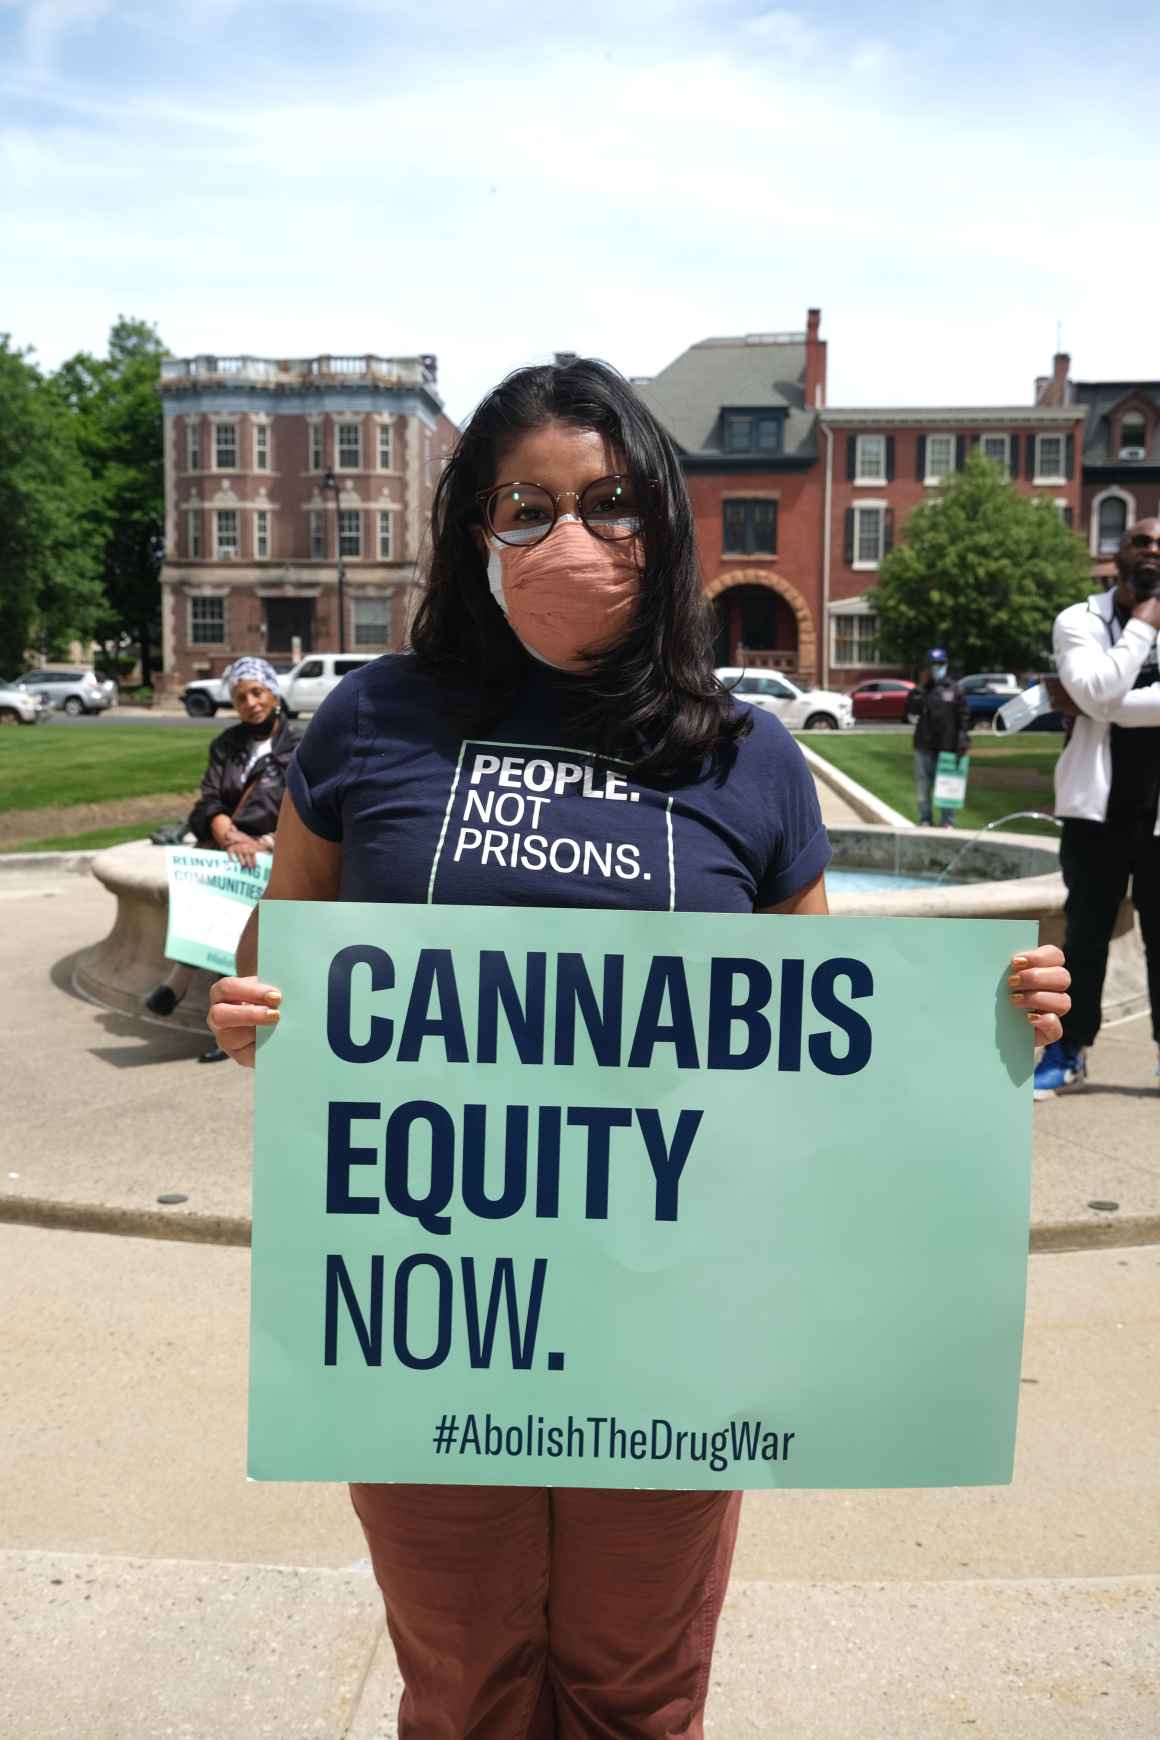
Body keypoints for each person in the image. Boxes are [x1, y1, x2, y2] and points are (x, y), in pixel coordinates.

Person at [203, 360, 1070, 1739]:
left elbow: (818, 1047)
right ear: (470, 528)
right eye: (527, 505)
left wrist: (972, 1028)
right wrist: (254, 1016)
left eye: (609, 505)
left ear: (662, 526)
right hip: (430, 1319)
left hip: (675, 1322)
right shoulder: (373, 722)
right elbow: (280, 961)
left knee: (638, 1695)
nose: (571, 540)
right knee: (463, 1690)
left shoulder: (748, 757)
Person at [1035, 518, 1160, 1098]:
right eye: (1142, 540)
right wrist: (1142, 626)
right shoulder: (1079, 620)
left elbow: (1097, 697)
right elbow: (1091, 691)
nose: (1153, 550)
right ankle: (1069, 1051)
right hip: (1095, 811)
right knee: (1083, 937)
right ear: (1118, 553)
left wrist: (1103, 702)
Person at [144, 656, 298, 1060]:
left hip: (273, 850)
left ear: (273, 693)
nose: (250, 702)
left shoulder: (297, 745)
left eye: (256, 692)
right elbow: (209, 799)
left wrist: (262, 842)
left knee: (240, 933)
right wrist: (228, 835)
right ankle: (208, 1012)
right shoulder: (225, 745)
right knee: (210, 914)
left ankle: (179, 985)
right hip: (228, 851)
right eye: (240, 696)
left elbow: (306, 809)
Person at [912, 646, 971, 827]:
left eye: (940, 664)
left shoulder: (955, 689)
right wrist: (920, 689)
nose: (936, 668)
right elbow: (911, 711)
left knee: (947, 784)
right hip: (924, 745)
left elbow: (963, 717)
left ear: (945, 665)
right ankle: (925, 818)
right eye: (933, 665)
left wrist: (963, 738)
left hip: (947, 745)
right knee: (924, 785)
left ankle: (947, 821)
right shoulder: (922, 690)